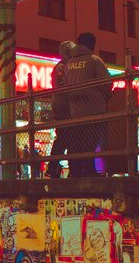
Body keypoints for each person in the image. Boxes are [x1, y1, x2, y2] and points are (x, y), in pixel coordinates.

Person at [63, 33, 112, 177]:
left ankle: (75, 171)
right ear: (92, 45)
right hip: (94, 109)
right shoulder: (95, 61)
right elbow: (106, 82)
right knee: (90, 143)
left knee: (76, 143)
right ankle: (89, 171)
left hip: (75, 111)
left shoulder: (69, 64)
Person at [46, 41, 72, 178]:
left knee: (63, 138)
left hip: (60, 107)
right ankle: (53, 167)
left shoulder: (59, 67)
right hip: (65, 108)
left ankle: (53, 167)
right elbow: (64, 86)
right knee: (65, 139)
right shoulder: (63, 67)